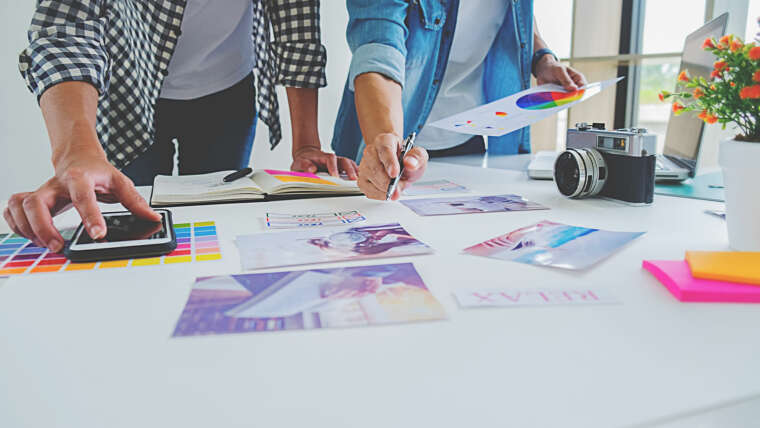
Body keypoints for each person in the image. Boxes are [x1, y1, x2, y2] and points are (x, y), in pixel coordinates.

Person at [4, 0, 356, 252]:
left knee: (217, 229)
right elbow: (67, 28)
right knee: (129, 226)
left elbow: (296, 20)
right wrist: (75, 153)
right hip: (131, 91)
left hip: (229, 92)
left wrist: (306, 144)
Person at [331, 0, 587, 200]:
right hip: (388, 140)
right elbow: (378, 46)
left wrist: (542, 59)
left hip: (467, 136)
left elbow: (518, 15)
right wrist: (386, 139)